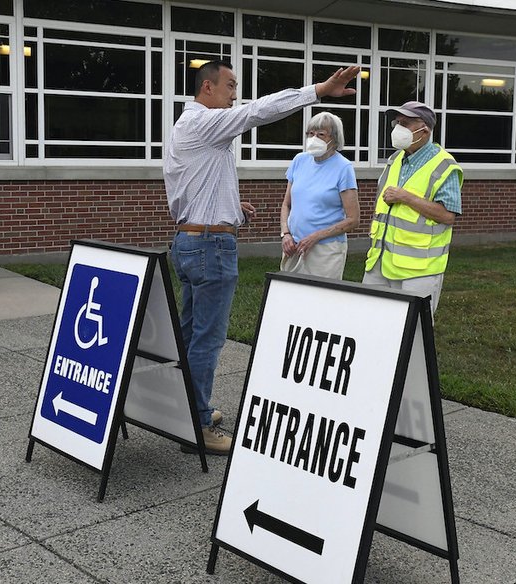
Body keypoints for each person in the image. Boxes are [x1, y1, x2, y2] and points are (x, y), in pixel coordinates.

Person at [164, 60, 360, 455]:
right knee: (207, 340)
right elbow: (260, 111)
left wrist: (234, 210)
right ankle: (198, 424)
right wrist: (318, 91)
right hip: (209, 248)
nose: (235, 95)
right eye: (231, 86)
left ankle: (184, 407)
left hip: (189, 241)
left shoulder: (186, 128)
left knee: (187, 334)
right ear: (207, 88)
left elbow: (195, 189)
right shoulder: (205, 123)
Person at [362, 101, 463, 315]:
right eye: (397, 122)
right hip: (379, 262)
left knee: (414, 332)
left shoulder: (445, 165)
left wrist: (406, 197)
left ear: (424, 129)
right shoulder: (395, 159)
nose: (398, 128)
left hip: (419, 270)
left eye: (405, 123)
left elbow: (447, 215)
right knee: (371, 323)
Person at [279, 112, 359, 278]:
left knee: (322, 300)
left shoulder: (344, 168)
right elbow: (287, 204)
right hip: (294, 245)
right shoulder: (299, 160)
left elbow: (353, 219)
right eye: (310, 133)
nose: (313, 138)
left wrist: (315, 237)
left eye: (321, 134)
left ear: (334, 139)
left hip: (326, 250)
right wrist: (285, 234)